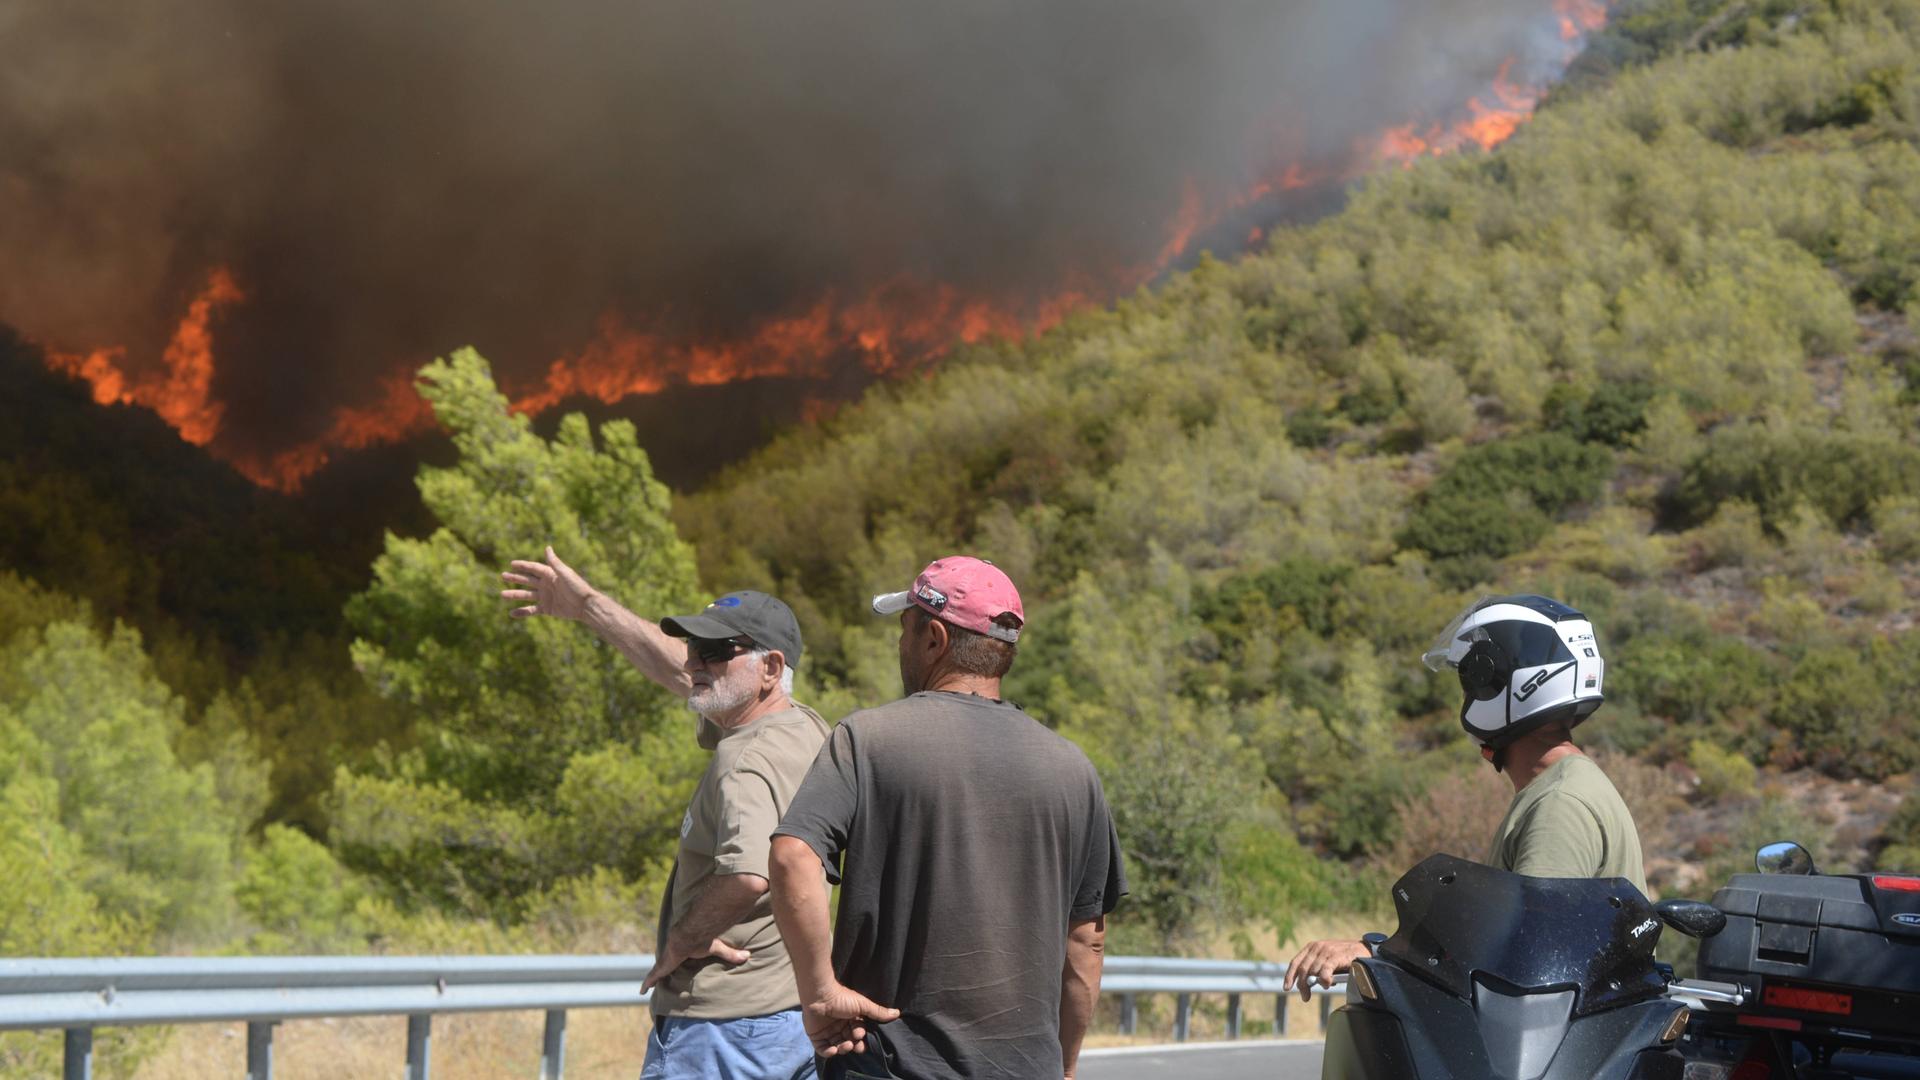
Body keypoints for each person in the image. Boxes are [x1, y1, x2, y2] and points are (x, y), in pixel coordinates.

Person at [766, 557, 1126, 1080]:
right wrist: (1064, 1066)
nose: (900, 645)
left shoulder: (866, 741)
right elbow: (1085, 942)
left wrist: (819, 992)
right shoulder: (1073, 768)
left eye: (904, 630)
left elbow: (791, 854)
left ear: (934, 638)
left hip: (887, 1061)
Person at [501, 547, 827, 1080]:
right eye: (694, 647)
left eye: (715, 651)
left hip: (721, 1029)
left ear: (770, 668)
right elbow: (677, 669)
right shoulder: (807, 730)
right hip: (785, 1020)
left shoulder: (741, 757)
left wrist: (687, 937)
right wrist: (587, 607)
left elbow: (748, 874)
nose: (695, 662)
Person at [1283, 594, 1646, 1000]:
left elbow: (1532, 957)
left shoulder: (1559, 804)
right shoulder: (1563, 786)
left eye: (1470, 681)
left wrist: (1374, 950)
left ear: (1501, 682)